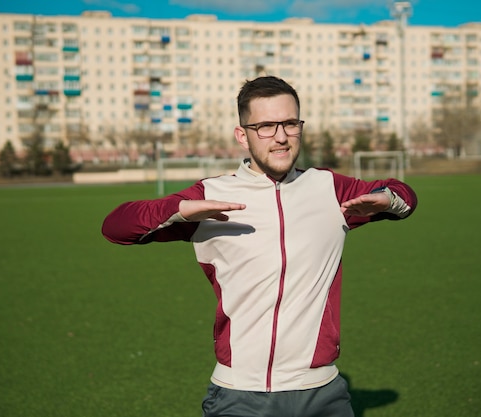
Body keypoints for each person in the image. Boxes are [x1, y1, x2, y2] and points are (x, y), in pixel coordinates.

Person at [101, 76, 418, 416]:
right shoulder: (210, 196)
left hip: (322, 393)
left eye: (290, 123)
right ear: (243, 136)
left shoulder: (329, 188)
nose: (281, 136)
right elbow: (115, 227)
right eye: (266, 126)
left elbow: (404, 195)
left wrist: (387, 199)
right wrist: (175, 211)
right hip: (240, 396)